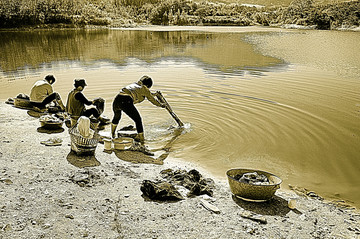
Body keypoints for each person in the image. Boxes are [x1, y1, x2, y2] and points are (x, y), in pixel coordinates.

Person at [111, 75, 166, 143]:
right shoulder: (144, 89)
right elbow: (152, 100)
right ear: (148, 85)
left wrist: (154, 94)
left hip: (117, 99)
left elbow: (146, 93)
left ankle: (112, 134)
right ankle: (142, 139)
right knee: (138, 120)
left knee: (117, 117)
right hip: (126, 100)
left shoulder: (135, 84)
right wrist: (161, 105)